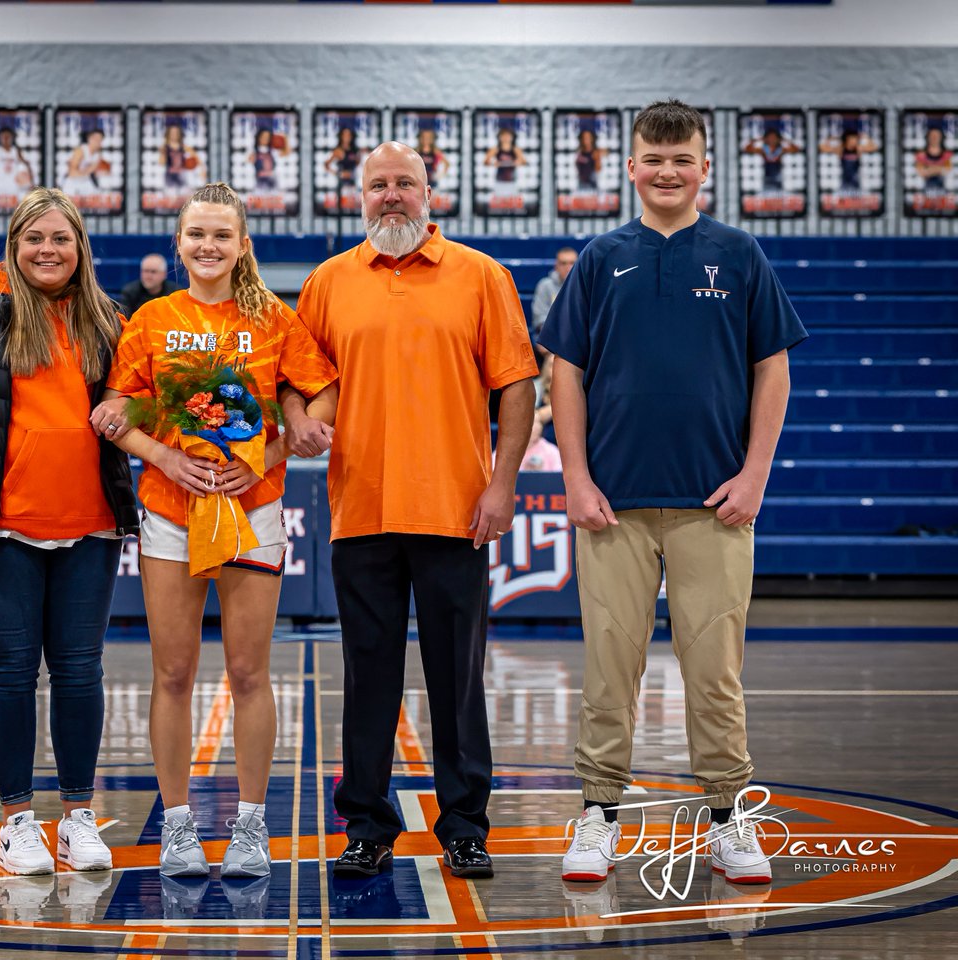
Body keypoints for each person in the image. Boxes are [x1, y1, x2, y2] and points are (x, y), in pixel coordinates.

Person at [542, 99, 806, 887]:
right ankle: (597, 815)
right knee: (606, 671)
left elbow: (773, 369)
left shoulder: (740, 252)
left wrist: (756, 471)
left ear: (704, 168)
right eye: (653, 160)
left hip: (715, 506)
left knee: (715, 672)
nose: (667, 171)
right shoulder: (599, 257)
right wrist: (576, 477)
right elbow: (567, 375)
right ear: (630, 168)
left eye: (682, 158)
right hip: (613, 506)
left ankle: (728, 817)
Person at [289, 141, 538, 880]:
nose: (391, 196)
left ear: (431, 193)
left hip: (456, 509)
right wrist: (295, 415)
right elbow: (296, 380)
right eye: (378, 186)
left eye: (404, 183)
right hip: (360, 509)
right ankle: (367, 823)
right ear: (359, 197)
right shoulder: (328, 283)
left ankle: (465, 825)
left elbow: (517, 385)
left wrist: (502, 482)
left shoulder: (481, 277)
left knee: (456, 679)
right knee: (368, 677)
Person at [92, 181, 338, 879]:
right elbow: (117, 410)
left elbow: (323, 394)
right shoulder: (150, 319)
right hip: (171, 510)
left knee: (248, 672)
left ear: (242, 246)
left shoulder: (273, 319)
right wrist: (162, 452)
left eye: (221, 235)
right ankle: (176, 827)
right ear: (179, 243)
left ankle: (251, 827)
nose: (208, 246)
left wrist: (281, 445)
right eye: (196, 234)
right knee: (172, 673)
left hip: (252, 509)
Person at [0, 187, 139, 876]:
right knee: (10, 672)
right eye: (34, 238)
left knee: (79, 673)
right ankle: (17, 823)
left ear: (81, 248)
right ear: (14, 245)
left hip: (92, 530)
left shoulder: (111, 320)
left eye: (60, 239)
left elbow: (142, 409)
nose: (48, 250)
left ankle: (76, 819)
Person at [531, 247, 578, 334]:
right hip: (550, 336)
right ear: (556, 266)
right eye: (563, 263)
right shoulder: (545, 285)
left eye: (572, 263)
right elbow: (539, 318)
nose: (568, 268)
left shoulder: (584, 286)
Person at [119, 254, 180, 319]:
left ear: (164, 274)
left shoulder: (175, 293)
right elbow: (125, 321)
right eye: (145, 271)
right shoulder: (130, 292)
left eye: (153, 272)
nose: (148, 276)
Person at [820, 128, 877, 192]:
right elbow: (822, 148)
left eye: (856, 139)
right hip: (844, 183)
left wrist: (866, 137)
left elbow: (874, 147)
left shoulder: (858, 149)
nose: (854, 142)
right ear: (847, 140)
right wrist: (832, 138)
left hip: (856, 182)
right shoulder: (841, 149)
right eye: (852, 139)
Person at [743, 128, 800, 192]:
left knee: (778, 192)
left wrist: (785, 140)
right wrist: (757, 139)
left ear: (778, 139)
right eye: (770, 137)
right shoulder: (763, 150)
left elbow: (796, 149)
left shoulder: (781, 150)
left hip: (778, 176)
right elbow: (747, 149)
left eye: (774, 138)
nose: (772, 140)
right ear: (766, 139)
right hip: (766, 177)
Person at [0, 126, 34, 198]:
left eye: (8, 137)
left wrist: (30, 182)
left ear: (12, 138)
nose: (6, 139)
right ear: (0, 138)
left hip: (13, 187)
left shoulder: (16, 151)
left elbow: (26, 164)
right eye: (3, 137)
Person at [63, 128, 106, 197]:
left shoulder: (97, 155)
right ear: (89, 139)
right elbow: (71, 172)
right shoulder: (81, 150)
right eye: (95, 139)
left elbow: (91, 171)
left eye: (100, 140)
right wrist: (82, 173)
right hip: (72, 181)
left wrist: (83, 173)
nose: (97, 142)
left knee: (96, 197)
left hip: (85, 180)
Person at [161, 123, 199, 190]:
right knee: (171, 195)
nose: (174, 134)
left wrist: (193, 164)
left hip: (181, 174)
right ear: (168, 134)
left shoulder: (183, 147)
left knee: (183, 195)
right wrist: (163, 153)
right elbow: (161, 162)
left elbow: (196, 156)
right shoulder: (166, 147)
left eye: (176, 132)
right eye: (172, 132)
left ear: (180, 134)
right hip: (170, 175)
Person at [915, 127, 953, 192]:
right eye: (932, 135)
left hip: (943, 190)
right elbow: (921, 172)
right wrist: (939, 169)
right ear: (928, 137)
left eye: (937, 136)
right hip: (925, 190)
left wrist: (929, 170)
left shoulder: (947, 155)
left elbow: (948, 171)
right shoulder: (920, 155)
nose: (934, 138)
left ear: (941, 138)